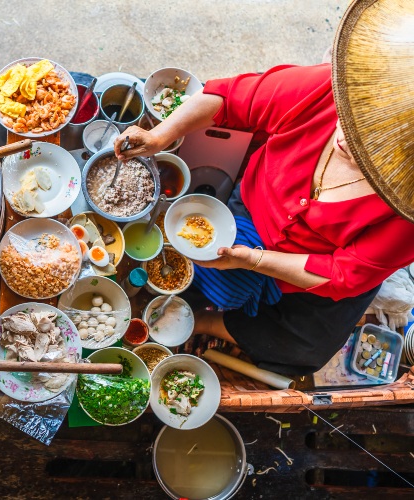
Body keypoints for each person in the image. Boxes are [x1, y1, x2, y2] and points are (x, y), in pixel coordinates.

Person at [114, 0, 414, 375]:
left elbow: (342, 273)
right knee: (182, 262)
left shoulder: (407, 212)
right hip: (251, 206)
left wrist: (253, 260)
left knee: (306, 349)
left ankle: (207, 323)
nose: (345, 139)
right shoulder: (327, 89)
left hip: (310, 265)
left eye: (372, 146)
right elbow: (230, 99)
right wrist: (160, 136)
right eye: (353, 118)